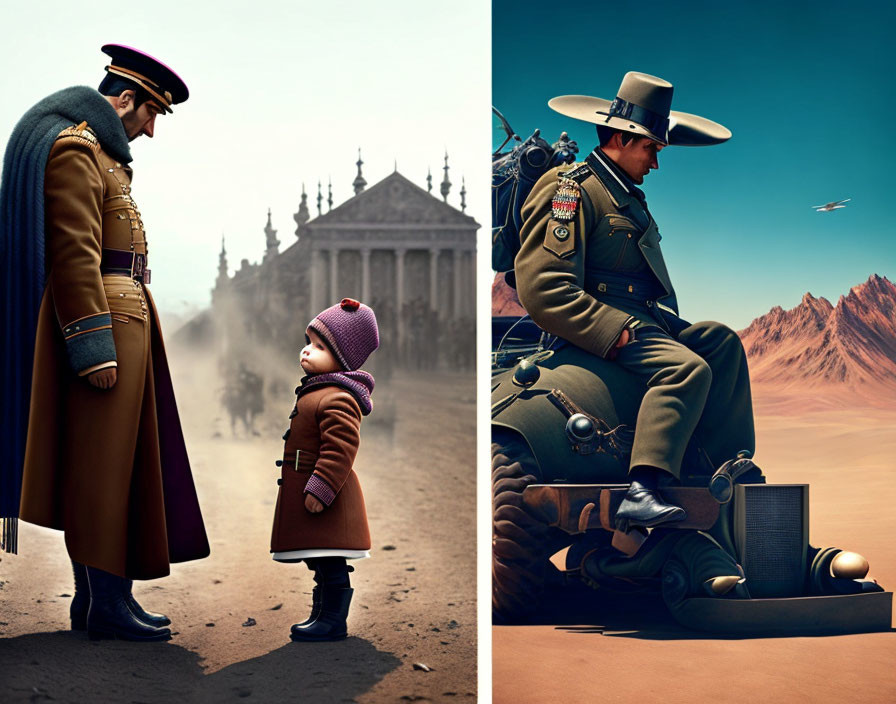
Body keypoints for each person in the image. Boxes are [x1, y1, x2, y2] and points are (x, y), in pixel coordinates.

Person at [0, 44, 209, 641]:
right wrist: (92, 346)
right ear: (123, 100)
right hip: (107, 326)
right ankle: (105, 606)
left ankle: (102, 602)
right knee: (102, 470)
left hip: (129, 318)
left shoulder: (103, 159)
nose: (149, 130)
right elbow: (74, 256)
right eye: (149, 115)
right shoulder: (76, 152)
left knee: (120, 466)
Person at [514, 72, 756, 530]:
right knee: (685, 368)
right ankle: (643, 488)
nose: (656, 164)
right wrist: (609, 330)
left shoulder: (624, 197)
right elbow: (543, 287)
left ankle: (728, 465)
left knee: (720, 343)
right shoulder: (571, 189)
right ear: (622, 139)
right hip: (600, 325)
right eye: (651, 149)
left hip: (643, 318)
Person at [270, 298, 379, 641]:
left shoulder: (337, 397)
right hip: (308, 488)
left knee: (330, 560)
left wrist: (322, 487)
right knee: (318, 559)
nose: (306, 351)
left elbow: (341, 449)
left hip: (324, 493)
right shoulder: (319, 390)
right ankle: (322, 612)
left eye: (319, 346)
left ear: (343, 357)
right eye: (308, 342)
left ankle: (332, 619)